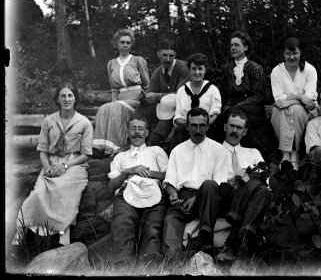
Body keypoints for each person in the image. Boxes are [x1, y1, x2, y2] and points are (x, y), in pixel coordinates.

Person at [13, 81, 93, 246]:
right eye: (62, 96)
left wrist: (65, 166)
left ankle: (64, 235)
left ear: (75, 99)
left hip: (74, 164)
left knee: (64, 188)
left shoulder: (84, 123)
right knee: (38, 192)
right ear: (57, 99)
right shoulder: (49, 121)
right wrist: (48, 167)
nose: (66, 99)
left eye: (70, 95)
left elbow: (86, 155)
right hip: (52, 161)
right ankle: (21, 232)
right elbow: (42, 151)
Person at [162, 107, 231, 259]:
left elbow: (219, 184)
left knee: (209, 184)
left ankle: (206, 241)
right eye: (193, 125)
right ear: (187, 126)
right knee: (170, 219)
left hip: (208, 201)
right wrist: (173, 195)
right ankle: (173, 261)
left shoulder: (219, 150)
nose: (198, 130)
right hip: (182, 198)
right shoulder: (177, 151)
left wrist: (197, 199)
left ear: (207, 126)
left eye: (202, 125)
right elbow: (170, 181)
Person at [106, 115, 169, 266]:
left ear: (147, 133)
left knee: (152, 228)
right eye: (133, 129)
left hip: (154, 192)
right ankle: (123, 268)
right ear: (127, 132)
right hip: (126, 194)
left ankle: (147, 268)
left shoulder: (156, 151)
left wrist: (150, 173)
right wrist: (128, 172)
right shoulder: (120, 157)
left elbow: (169, 175)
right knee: (122, 224)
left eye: (141, 129)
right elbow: (111, 187)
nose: (137, 132)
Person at [212, 30, 280, 165]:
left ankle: (259, 161)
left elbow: (259, 96)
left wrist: (237, 106)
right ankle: (221, 159)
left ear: (246, 47)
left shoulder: (255, 68)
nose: (233, 48)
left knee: (234, 114)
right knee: (223, 119)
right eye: (231, 45)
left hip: (253, 107)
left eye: (236, 45)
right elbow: (224, 94)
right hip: (231, 107)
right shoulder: (226, 69)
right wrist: (226, 107)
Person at [216, 111, 270, 262]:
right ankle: (239, 245)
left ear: (245, 132)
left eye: (239, 128)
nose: (234, 131)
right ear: (225, 127)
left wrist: (245, 179)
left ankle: (236, 245)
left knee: (261, 189)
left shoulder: (253, 153)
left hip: (247, 201)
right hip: (224, 198)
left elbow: (266, 183)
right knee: (254, 185)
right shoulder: (212, 150)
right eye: (231, 126)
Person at [92, 28, 149, 157]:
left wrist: (145, 98)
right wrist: (113, 103)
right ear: (116, 44)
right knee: (104, 108)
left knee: (116, 107)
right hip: (120, 98)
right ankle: (99, 147)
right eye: (122, 42)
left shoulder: (137, 60)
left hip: (136, 98)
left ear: (131, 44)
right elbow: (114, 88)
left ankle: (116, 147)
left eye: (128, 43)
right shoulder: (111, 63)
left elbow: (147, 84)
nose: (125, 45)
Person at [270, 37, 318, 170]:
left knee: (295, 110)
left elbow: (309, 99)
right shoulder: (276, 71)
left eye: (295, 53)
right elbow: (279, 99)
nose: (291, 57)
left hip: (306, 109)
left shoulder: (309, 70)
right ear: (283, 54)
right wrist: (299, 96)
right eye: (288, 54)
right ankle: (287, 153)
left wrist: (292, 101)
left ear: (300, 52)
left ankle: (295, 153)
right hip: (282, 109)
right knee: (279, 111)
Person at [139, 39, 191, 147]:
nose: (168, 59)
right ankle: (135, 142)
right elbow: (150, 93)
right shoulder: (158, 72)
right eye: (164, 55)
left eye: (171, 56)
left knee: (167, 109)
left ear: (175, 55)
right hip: (165, 107)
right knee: (140, 110)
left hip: (183, 107)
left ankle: (153, 144)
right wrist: (145, 97)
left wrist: (157, 96)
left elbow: (180, 94)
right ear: (158, 54)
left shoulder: (182, 67)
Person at [169, 53, 222, 151]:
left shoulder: (212, 89)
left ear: (205, 70)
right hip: (186, 129)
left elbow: (215, 113)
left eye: (200, 69)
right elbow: (178, 116)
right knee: (178, 133)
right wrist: (190, 125)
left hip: (207, 128)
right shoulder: (182, 91)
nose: (197, 72)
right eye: (194, 68)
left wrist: (201, 125)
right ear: (189, 69)